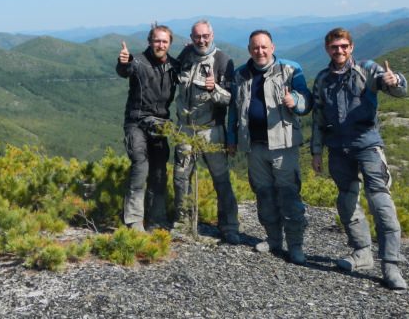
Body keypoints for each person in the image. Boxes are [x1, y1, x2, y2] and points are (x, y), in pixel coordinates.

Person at [310, 27, 409, 290]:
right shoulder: (322, 79)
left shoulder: (367, 70)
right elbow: (318, 117)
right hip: (338, 147)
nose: (339, 50)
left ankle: (391, 265)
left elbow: (395, 88)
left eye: (344, 46)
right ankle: (362, 252)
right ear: (327, 49)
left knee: (380, 202)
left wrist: (396, 80)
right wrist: (316, 151)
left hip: (367, 145)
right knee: (346, 200)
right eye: (334, 47)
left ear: (351, 47)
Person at [227, 29, 312, 265]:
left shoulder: (290, 69)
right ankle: (273, 239)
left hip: (283, 144)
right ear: (249, 50)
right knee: (263, 195)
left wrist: (296, 102)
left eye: (264, 47)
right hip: (253, 146)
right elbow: (234, 109)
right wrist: (232, 137)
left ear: (272, 48)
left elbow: (307, 100)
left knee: (289, 195)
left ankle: (295, 245)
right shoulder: (240, 74)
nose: (260, 51)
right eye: (255, 47)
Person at [173, 19, 240, 244]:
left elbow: (231, 99)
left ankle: (229, 226)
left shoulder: (223, 60)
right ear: (191, 38)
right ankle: (182, 223)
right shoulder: (185, 56)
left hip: (212, 129)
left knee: (221, 179)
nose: (201, 40)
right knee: (181, 177)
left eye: (205, 36)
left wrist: (214, 89)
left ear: (212, 35)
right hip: (185, 128)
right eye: (197, 36)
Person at [116, 24, 179, 232]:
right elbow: (125, 70)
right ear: (150, 42)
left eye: (164, 41)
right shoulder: (138, 61)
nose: (160, 45)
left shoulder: (173, 65)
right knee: (140, 167)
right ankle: (134, 220)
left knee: (159, 172)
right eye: (157, 40)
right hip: (137, 122)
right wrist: (123, 61)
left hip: (160, 124)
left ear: (170, 44)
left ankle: (157, 219)